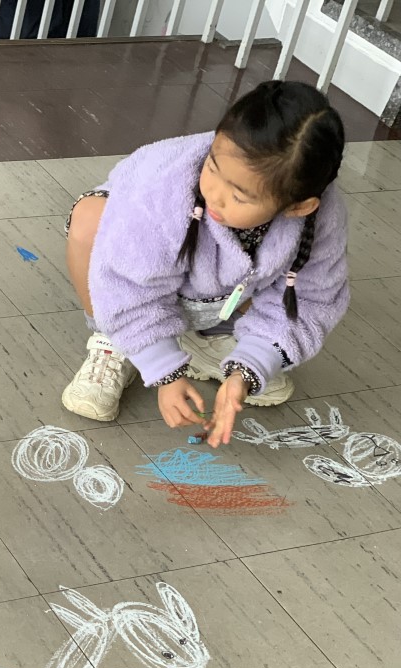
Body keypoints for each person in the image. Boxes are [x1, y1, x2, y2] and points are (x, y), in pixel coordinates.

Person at [60, 80, 348, 447]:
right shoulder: (163, 182)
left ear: (300, 206)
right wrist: (165, 372)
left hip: (214, 288)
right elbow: (127, 285)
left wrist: (248, 369)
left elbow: (310, 300)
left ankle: (206, 339)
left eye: (239, 196)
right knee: (90, 220)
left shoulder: (319, 217)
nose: (215, 194)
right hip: (129, 273)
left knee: (267, 274)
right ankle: (113, 341)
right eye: (212, 167)